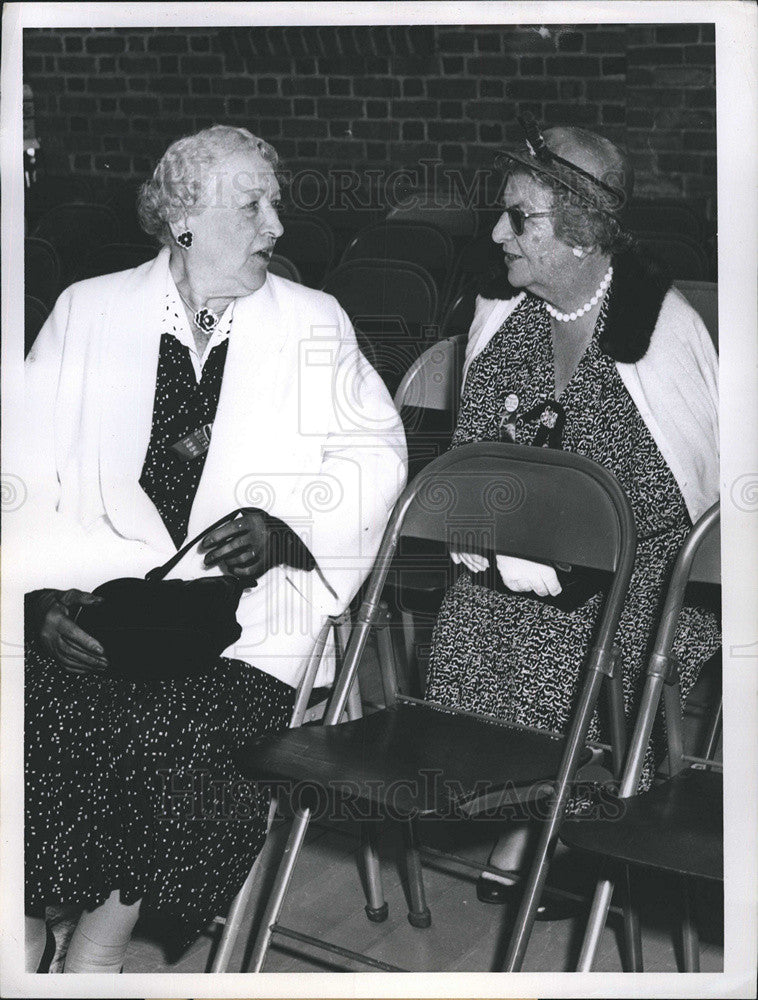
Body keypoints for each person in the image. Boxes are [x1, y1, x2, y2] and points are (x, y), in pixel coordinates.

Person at [20, 125, 407, 972]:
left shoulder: (314, 321)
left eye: (274, 203)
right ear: (185, 222)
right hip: (95, 599)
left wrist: (287, 531)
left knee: (170, 734)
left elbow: (376, 455)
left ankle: (95, 950)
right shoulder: (89, 310)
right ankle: (23, 927)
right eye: (253, 206)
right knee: (29, 701)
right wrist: (38, 602)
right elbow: (22, 471)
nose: (276, 227)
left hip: (240, 624)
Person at [424, 118, 720, 911]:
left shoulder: (660, 330)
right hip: (522, 561)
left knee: (570, 637)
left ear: (584, 234)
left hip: (639, 572)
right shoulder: (500, 316)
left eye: (520, 218)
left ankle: (567, 821)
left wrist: (575, 541)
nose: (497, 233)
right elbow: (471, 463)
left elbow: (693, 498)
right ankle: (532, 804)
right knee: (471, 619)